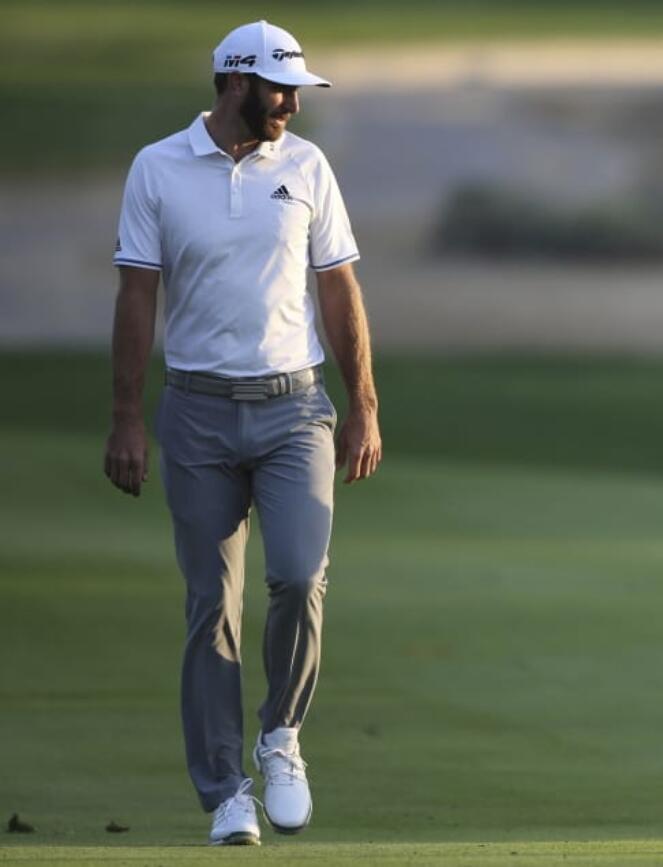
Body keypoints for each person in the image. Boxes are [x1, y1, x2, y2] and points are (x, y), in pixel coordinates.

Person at [104, 20, 382, 846]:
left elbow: (339, 291)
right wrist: (126, 415)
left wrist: (363, 402)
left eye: (294, 89)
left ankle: (281, 735)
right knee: (211, 604)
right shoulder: (157, 168)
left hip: (296, 407)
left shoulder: (306, 166)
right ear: (233, 83)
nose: (291, 103)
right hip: (196, 411)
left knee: (299, 575)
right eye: (277, 87)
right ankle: (227, 788)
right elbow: (135, 299)